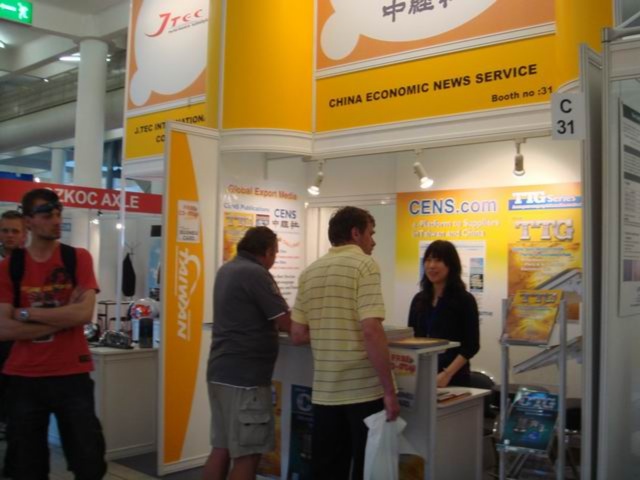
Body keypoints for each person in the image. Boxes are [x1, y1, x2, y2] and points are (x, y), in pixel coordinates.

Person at [0, 188, 107, 480]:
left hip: (72, 374)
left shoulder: (77, 258)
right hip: (24, 378)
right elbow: (4, 328)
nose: (56, 220)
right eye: (47, 214)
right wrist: (63, 318)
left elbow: (83, 314)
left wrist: (26, 313)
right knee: (27, 468)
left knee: (89, 463)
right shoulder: (10, 268)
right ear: (28, 221)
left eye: (58, 213)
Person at [291, 206, 400, 480]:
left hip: (325, 392)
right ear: (355, 233)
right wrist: (389, 390)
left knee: (327, 471)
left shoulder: (309, 272)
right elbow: (371, 330)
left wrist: (329, 329)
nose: (373, 241)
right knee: (367, 468)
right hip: (363, 390)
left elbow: (298, 334)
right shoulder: (365, 265)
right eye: (371, 233)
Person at [204, 226, 291, 480]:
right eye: (275, 253)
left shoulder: (227, 269)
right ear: (267, 251)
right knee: (248, 455)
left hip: (220, 372)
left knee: (221, 449)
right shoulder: (256, 273)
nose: (274, 260)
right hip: (246, 380)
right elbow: (285, 321)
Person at [407, 240, 480, 388]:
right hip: (422, 374)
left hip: (453, 377)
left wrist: (447, 374)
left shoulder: (464, 300)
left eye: (438, 260)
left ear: (451, 265)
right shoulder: (419, 299)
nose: (431, 266)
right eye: (428, 260)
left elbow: (471, 345)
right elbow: (412, 339)